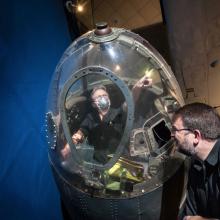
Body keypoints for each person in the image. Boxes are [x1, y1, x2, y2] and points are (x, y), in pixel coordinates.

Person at [61, 76, 153, 163]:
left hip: (121, 161)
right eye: (99, 97)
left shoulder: (117, 113)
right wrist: (67, 148)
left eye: (105, 95)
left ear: (109, 99)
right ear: (93, 104)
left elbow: (129, 103)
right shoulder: (90, 118)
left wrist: (137, 87)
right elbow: (80, 134)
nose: (103, 98)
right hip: (99, 163)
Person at [171, 102, 220, 220]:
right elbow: (189, 215)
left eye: (175, 130)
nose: (171, 135)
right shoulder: (195, 165)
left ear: (196, 136)